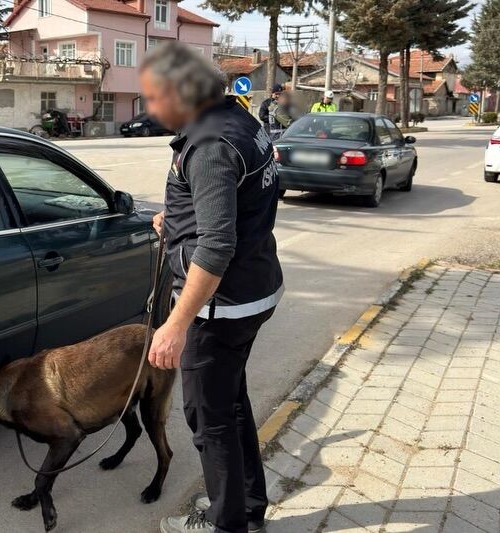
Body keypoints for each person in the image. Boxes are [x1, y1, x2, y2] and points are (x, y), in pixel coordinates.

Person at [140, 41, 284, 533]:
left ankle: (225, 525)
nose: (151, 109)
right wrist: (178, 221)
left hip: (218, 307)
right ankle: (247, 507)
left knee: (210, 420)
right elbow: (242, 205)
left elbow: (217, 246)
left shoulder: (209, 147)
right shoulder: (241, 122)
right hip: (256, 287)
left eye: (155, 98)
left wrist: (176, 325)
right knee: (232, 403)